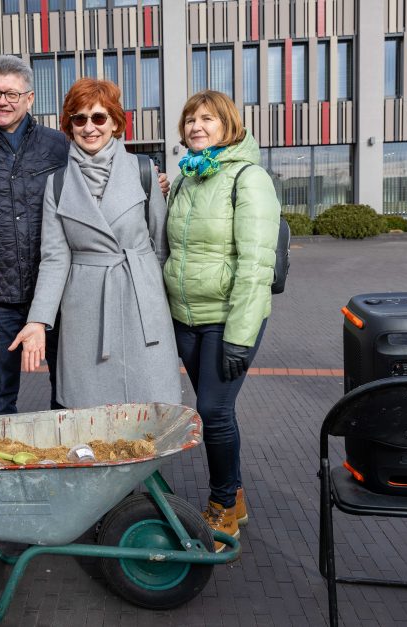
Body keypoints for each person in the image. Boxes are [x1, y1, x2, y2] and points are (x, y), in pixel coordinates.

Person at [10, 78, 181, 410]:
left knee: (148, 408)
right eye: (79, 119)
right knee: (89, 411)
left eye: (99, 117)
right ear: (70, 126)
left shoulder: (144, 171)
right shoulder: (57, 184)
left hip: (141, 302)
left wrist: (162, 306)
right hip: (85, 308)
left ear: (115, 122)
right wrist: (38, 320)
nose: (89, 127)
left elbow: (162, 246)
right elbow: (54, 259)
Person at [163, 90, 280, 551]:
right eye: (190, 118)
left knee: (212, 410)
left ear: (228, 124)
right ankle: (236, 493)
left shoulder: (248, 179)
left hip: (228, 320)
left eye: (206, 119)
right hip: (186, 317)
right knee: (217, 410)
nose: (195, 126)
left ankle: (222, 505)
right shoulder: (189, 176)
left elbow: (256, 266)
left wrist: (240, 337)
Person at [0, 55, 69, 416]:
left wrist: (151, 180)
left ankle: (65, 465)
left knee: (67, 389)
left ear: (29, 98)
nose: (2, 101)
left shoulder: (59, 146)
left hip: (54, 293)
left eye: (11, 93)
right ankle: (0, 470)